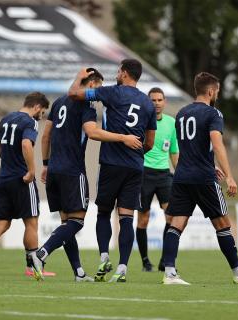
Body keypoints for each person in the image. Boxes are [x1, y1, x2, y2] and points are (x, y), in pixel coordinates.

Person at [30, 69, 142, 281]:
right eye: (98, 88)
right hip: (73, 171)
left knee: (66, 224)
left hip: (54, 170)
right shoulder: (86, 105)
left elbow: (46, 136)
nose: (99, 94)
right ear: (91, 84)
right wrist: (123, 138)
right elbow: (92, 132)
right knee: (77, 223)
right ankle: (42, 253)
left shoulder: (59, 102)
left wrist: (45, 164)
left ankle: (79, 273)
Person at [161, 72, 238, 285]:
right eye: (217, 91)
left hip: (182, 176)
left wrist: (211, 164)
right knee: (223, 223)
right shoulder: (214, 114)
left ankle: (170, 273)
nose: (217, 94)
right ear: (210, 91)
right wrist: (230, 177)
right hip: (203, 178)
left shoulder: (181, 113)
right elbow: (216, 144)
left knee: (176, 224)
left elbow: (190, 147)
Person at [67, 59, 157, 282]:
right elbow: (150, 143)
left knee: (104, 213)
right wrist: (136, 152)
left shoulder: (112, 93)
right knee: (127, 217)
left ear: (125, 74)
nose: (116, 74)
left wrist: (80, 76)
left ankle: (104, 257)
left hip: (110, 163)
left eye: (118, 71)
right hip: (135, 167)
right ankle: (122, 268)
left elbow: (74, 94)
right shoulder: (147, 103)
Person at [0, 92, 49, 278]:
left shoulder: (6, 119)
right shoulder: (29, 122)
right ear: (37, 107)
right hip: (21, 179)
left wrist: (7, 160)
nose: (41, 117)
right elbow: (26, 145)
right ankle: (32, 268)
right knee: (31, 222)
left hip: (4, 178)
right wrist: (31, 170)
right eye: (43, 112)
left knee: (2, 223)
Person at [135, 87, 178, 272]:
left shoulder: (171, 123)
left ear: (165, 102)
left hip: (164, 175)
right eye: (153, 100)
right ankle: (145, 261)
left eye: (160, 100)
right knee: (143, 219)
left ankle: (164, 260)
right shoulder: (142, 121)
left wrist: (180, 174)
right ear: (148, 102)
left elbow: (174, 151)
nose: (157, 103)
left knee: (171, 216)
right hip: (144, 173)